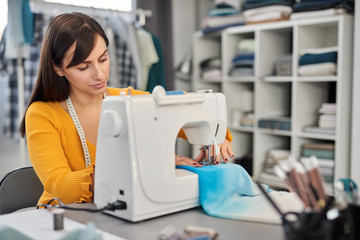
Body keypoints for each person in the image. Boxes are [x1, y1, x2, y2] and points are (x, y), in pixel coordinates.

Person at [19, 12, 234, 206]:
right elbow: (59, 186)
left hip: (121, 210)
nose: (100, 74)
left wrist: (217, 138)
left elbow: (189, 109)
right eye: (84, 67)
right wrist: (150, 165)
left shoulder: (129, 100)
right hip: (60, 220)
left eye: (103, 59)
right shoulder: (42, 114)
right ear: (57, 68)